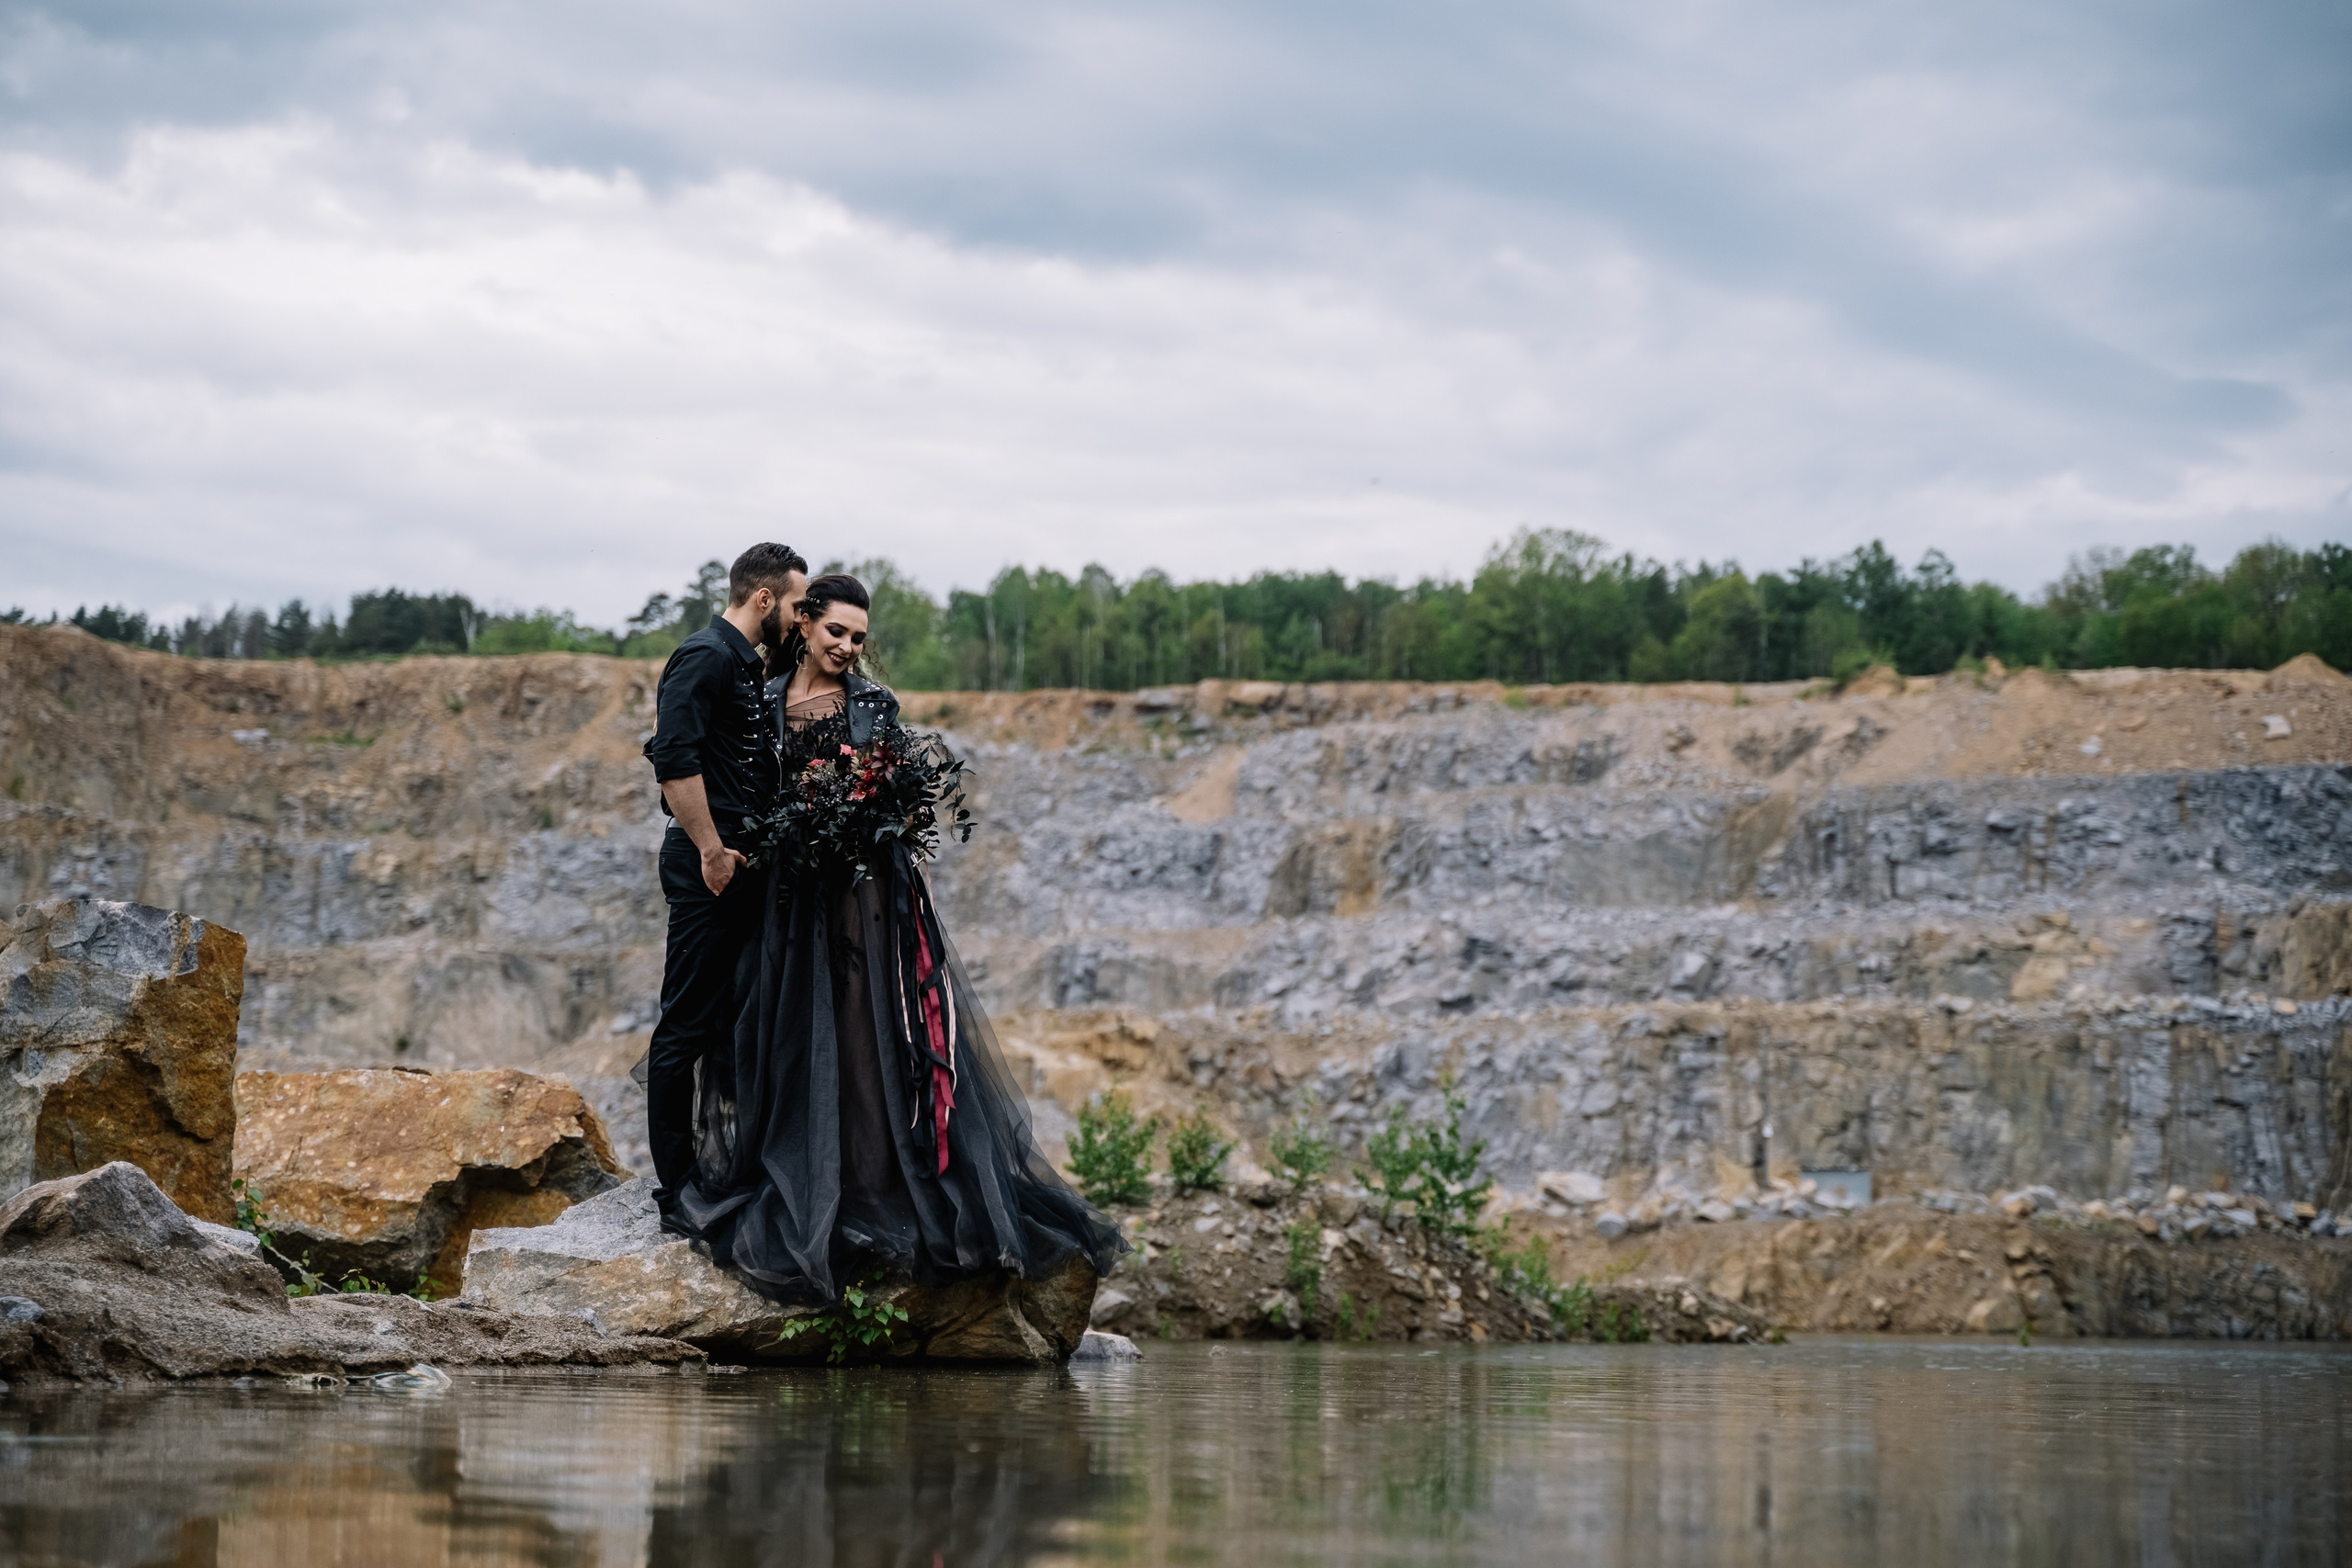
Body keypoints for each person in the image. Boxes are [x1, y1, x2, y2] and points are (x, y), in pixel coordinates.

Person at [665, 572, 1125, 1303]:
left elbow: (898, 807)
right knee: (787, 1037)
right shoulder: (757, 699)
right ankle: (800, 1177)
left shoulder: (875, 704)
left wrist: (878, 819)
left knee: (864, 1036)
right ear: (805, 623)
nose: (847, 646)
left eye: (858, 636)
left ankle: (878, 1187)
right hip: (788, 900)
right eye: (835, 631)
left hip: (863, 897)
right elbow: (728, 778)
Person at [639, 542, 808, 1226]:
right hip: (708, 866)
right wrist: (712, 848)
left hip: (739, 869)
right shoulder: (705, 657)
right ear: (763, 599)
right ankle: (676, 1191)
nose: (802, 619)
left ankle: (721, 1169)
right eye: (798, 606)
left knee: (728, 1023)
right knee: (684, 1025)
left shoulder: (745, 666)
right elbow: (673, 760)